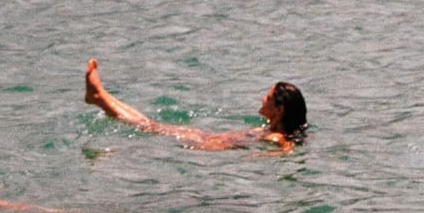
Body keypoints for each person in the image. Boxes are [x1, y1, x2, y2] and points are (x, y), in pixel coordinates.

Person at [83, 57, 306, 152]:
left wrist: (259, 156)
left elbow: (284, 148)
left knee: (151, 126)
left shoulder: (276, 136)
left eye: (267, 97)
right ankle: (100, 97)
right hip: (209, 139)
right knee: (150, 125)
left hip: (209, 147)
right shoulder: (272, 130)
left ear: (279, 109)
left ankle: (101, 98)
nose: (262, 99)